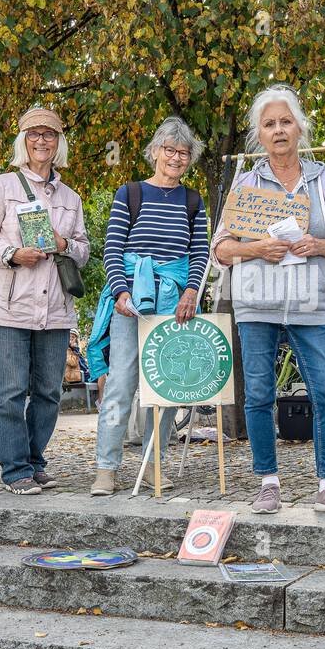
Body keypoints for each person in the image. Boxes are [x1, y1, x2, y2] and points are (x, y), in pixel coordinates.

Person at [212, 84, 325, 517]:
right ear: (259, 133)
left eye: (285, 122)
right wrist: (256, 248)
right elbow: (221, 247)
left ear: (300, 128)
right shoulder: (245, 182)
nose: (278, 130)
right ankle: (268, 483)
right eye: (269, 123)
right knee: (258, 394)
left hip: (310, 305)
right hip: (257, 305)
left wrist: (318, 245)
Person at [88, 116, 210, 496]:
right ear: (155, 151)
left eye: (183, 153)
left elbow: (200, 251)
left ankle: (153, 464)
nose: (175, 158)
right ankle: (106, 467)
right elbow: (112, 247)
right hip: (131, 301)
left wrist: (191, 291)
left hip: (175, 302)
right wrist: (120, 292)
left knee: (166, 386)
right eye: (169, 150)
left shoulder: (193, 200)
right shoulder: (130, 193)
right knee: (120, 385)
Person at [0, 107, 89, 494]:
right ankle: (15, 470)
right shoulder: (2, 186)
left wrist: (65, 245)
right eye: (34, 134)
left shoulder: (71, 197)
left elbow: (85, 250)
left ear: (60, 143)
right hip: (6, 307)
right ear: (22, 141)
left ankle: (35, 459)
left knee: (48, 393)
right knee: (9, 392)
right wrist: (12, 254)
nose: (42, 141)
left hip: (54, 310)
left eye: (50, 134)